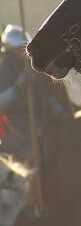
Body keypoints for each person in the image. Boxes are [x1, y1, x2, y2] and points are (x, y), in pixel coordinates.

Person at [0, 23, 71, 162]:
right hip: (14, 127)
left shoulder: (32, 67)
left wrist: (61, 112)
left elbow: (43, 96)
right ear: (11, 50)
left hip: (39, 122)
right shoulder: (4, 69)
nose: (23, 52)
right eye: (19, 49)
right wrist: (18, 87)